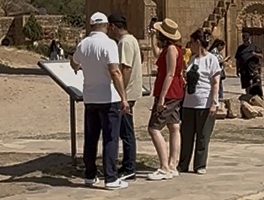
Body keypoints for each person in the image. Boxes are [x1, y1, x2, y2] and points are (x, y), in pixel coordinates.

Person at [71, 12, 130, 189]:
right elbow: (115, 71)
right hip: (108, 97)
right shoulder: (109, 44)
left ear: (91, 26)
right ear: (106, 26)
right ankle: (111, 177)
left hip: (90, 97)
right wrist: (123, 97)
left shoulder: (83, 44)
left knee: (91, 137)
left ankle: (90, 174)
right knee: (110, 138)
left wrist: (83, 67)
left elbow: (73, 63)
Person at [180, 30, 223, 172]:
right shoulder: (193, 59)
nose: (190, 45)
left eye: (191, 42)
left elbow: (215, 83)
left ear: (197, 42)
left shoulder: (212, 59)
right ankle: (183, 164)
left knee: (202, 136)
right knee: (186, 135)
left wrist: (214, 103)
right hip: (189, 103)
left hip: (204, 103)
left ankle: (200, 164)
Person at [148, 18, 185, 177]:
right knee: (174, 126)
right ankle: (172, 164)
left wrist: (162, 97)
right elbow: (158, 55)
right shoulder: (174, 49)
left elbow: (170, 74)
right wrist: (151, 38)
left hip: (169, 92)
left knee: (154, 128)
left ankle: (164, 167)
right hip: (176, 91)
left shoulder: (171, 49)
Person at [108, 12, 143, 180]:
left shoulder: (125, 42)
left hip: (127, 93)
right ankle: (128, 165)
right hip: (129, 92)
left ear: (113, 26)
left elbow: (126, 68)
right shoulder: (131, 40)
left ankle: (129, 167)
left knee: (126, 131)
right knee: (125, 130)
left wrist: (121, 91)